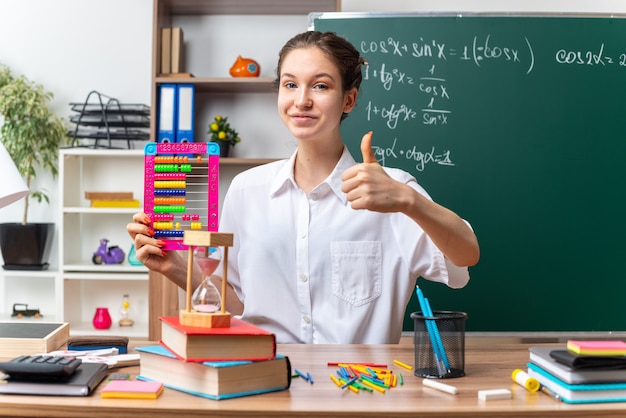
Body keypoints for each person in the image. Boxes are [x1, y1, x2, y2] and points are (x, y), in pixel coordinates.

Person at [128, 31, 479, 344]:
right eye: (290, 84)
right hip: (265, 381)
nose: (302, 100)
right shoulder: (246, 190)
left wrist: (408, 200)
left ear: (349, 100)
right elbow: (238, 305)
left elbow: (465, 256)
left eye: (321, 85)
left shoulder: (391, 191)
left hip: (364, 392)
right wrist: (173, 266)